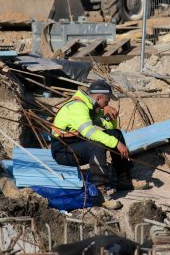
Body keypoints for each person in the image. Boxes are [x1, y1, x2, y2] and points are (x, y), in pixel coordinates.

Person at [51, 80, 150, 210]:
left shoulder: (90, 106)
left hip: (77, 144)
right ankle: (100, 193)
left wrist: (109, 117)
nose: (107, 104)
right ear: (98, 98)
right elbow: (90, 133)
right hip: (63, 151)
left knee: (115, 133)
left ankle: (123, 180)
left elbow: (107, 127)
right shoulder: (78, 107)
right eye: (106, 101)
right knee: (96, 144)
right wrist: (117, 144)